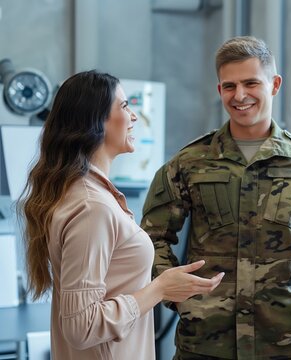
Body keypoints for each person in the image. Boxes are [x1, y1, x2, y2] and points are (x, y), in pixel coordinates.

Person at [141, 36, 291, 360]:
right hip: (205, 345)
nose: (239, 96)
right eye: (229, 86)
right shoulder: (188, 163)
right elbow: (150, 238)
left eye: (251, 83)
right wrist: (174, 294)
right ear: (219, 89)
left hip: (286, 344)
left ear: (274, 84)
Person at [18, 70, 224, 359]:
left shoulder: (90, 196)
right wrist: (160, 288)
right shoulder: (93, 208)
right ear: (96, 121)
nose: (134, 117)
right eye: (125, 106)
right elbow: (82, 325)